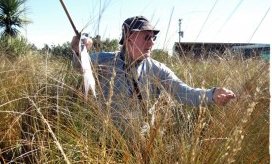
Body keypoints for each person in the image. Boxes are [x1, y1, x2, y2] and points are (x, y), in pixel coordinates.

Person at [71, 16, 235, 131]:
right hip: (107, 142)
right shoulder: (105, 60)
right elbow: (80, 66)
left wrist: (212, 94)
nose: (152, 42)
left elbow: (183, 93)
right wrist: (80, 48)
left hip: (141, 144)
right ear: (128, 39)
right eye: (146, 37)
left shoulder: (158, 70)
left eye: (153, 37)